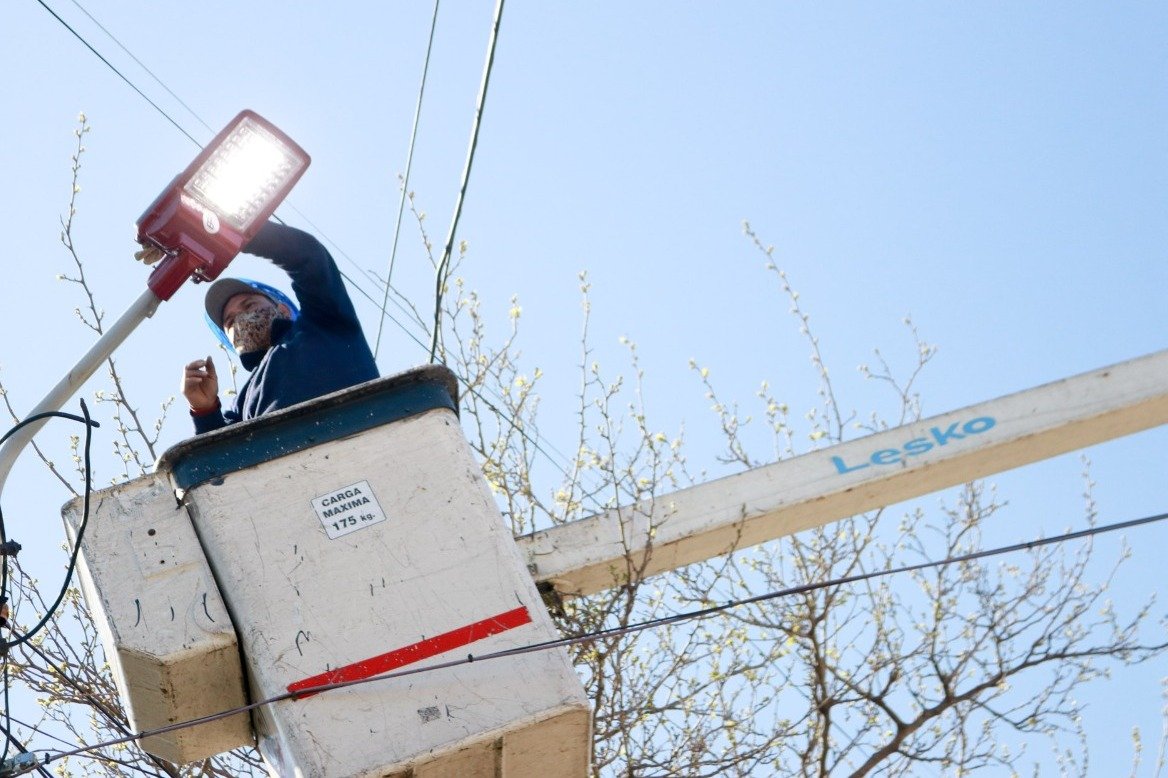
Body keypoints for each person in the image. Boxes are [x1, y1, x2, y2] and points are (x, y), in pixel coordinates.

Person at [182, 221, 378, 434]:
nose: (241, 319)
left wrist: (229, 232)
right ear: (230, 340)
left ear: (283, 310)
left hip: (362, 437)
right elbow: (221, 457)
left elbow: (308, 256)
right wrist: (205, 410)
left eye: (249, 305)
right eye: (230, 322)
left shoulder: (322, 323)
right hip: (294, 465)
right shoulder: (243, 403)